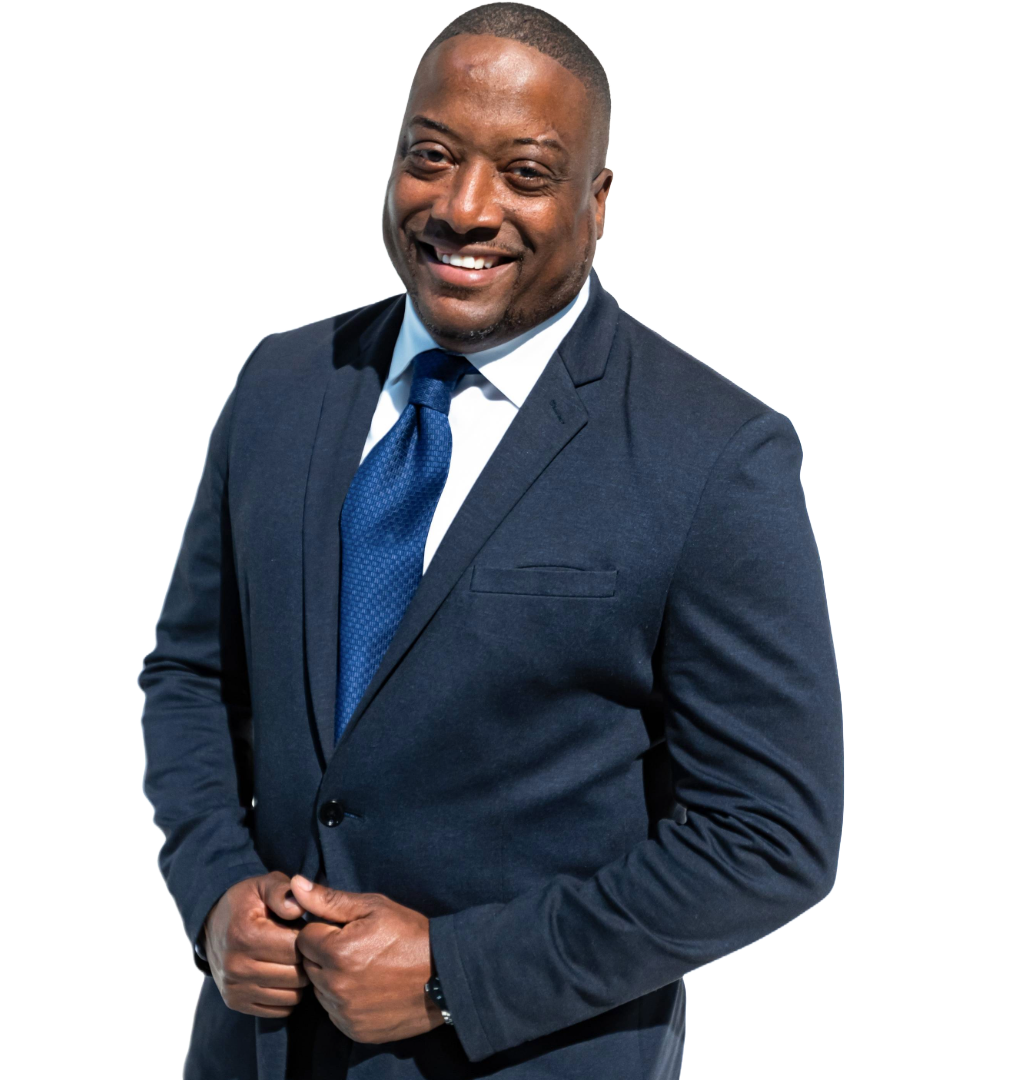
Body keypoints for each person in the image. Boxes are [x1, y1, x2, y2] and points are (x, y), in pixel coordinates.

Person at [138, 4, 844, 1079]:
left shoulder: (718, 455)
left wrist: (454, 973)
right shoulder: (283, 383)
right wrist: (215, 891)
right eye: (432, 157)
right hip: (253, 1052)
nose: (464, 208)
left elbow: (769, 838)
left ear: (597, 201)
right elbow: (190, 673)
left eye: (524, 173)